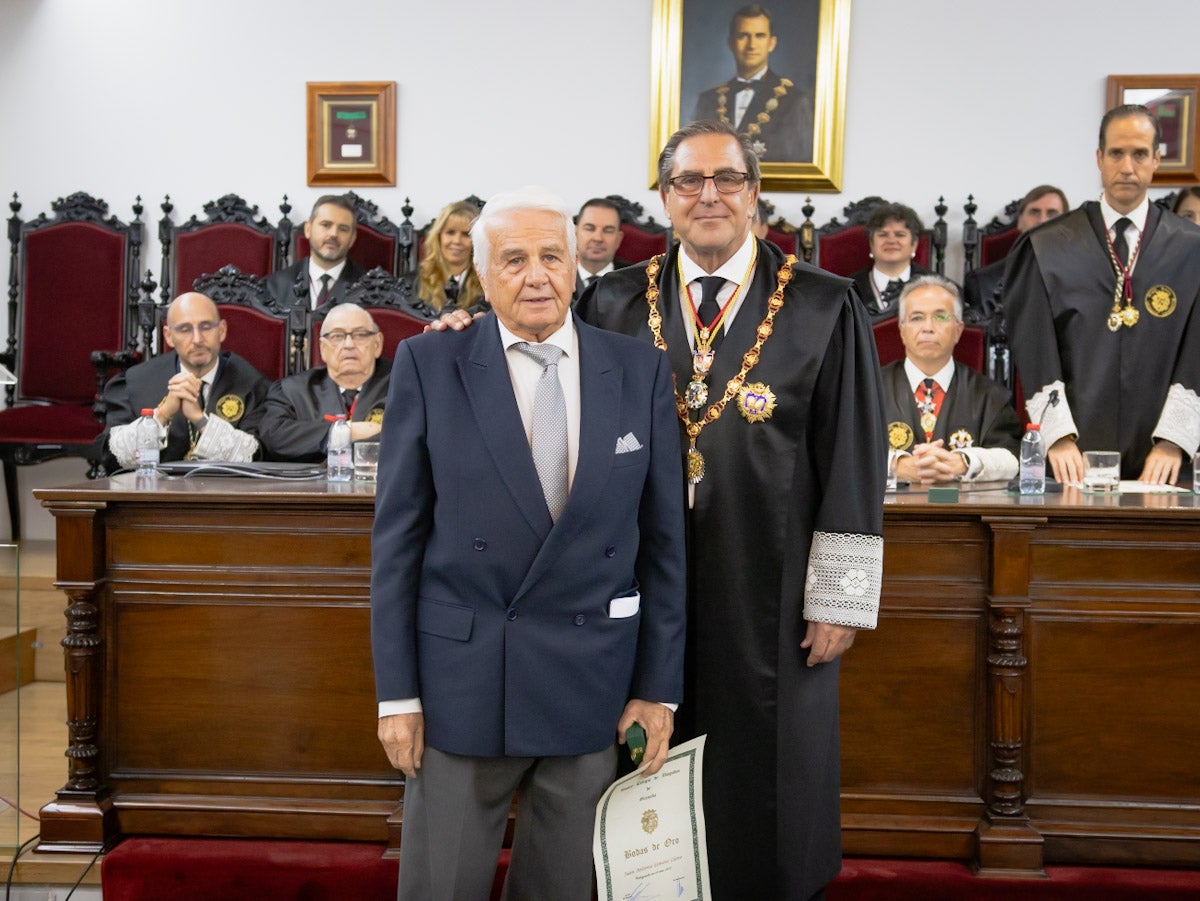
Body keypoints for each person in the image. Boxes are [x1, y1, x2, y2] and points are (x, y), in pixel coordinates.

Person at [578, 120, 886, 900]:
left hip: (773, 591)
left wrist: (840, 596)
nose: (707, 195)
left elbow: (855, 450)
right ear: (663, 197)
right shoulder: (612, 301)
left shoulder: (824, 304)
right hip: (639, 585)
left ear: (755, 192)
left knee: (769, 784)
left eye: (726, 179)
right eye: (689, 181)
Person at [371, 186, 686, 901]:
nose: (537, 274)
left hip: (593, 685)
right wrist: (397, 696)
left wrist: (656, 687)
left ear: (576, 266)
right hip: (460, 685)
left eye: (552, 255)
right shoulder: (429, 364)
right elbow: (396, 543)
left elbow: (665, 546)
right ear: (483, 274)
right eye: (514, 259)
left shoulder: (636, 370)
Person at [1005, 104, 1200, 484]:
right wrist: (1057, 436)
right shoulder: (1047, 247)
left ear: (1157, 159)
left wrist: (1174, 441)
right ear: (1099, 158)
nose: (1127, 167)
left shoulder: (1191, 249)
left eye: (1140, 154)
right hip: (1070, 458)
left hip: (1163, 461)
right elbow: (1035, 349)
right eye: (1116, 153)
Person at [100, 292, 268, 471]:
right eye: (185, 329)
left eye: (206, 327)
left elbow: (258, 459)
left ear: (222, 331)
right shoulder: (135, 382)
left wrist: (200, 420)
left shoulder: (252, 385)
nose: (197, 340)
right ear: (169, 336)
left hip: (226, 494)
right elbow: (112, 460)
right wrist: (162, 415)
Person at [884, 276, 1021, 485]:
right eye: (917, 318)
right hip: (886, 515)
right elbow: (846, 449)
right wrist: (896, 466)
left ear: (958, 330)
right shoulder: (867, 389)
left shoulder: (989, 395)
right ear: (901, 330)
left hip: (964, 514)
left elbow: (1013, 458)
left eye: (940, 317)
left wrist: (964, 463)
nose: (928, 327)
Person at [257, 303, 390, 461]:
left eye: (360, 335)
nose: (349, 345)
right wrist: (344, 432)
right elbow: (273, 437)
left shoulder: (402, 386)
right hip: (308, 486)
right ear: (323, 349)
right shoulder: (291, 391)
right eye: (337, 336)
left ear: (377, 344)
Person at [692, 4, 814, 163]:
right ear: (731, 43)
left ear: (772, 43)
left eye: (760, 36)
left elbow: (799, 165)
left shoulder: (794, 101)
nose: (751, 45)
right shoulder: (708, 101)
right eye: (743, 35)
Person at [963, 185, 1068, 323]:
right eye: (1034, 212)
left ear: (1067, 223)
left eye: (1052, 214)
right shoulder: (981, 282)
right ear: (1019, 222)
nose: (1042, 221)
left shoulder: (1089, 276)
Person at [266, 195, 365, 310]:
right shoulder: (276, 285)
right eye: (325, 225)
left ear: (352, 238)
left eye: (343, 229)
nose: (333, 234)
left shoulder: (367, 288)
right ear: (308, 229)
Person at [850, 202, 933, 323]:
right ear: (871, 244)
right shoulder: (850, 290)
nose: (891, 240)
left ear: (914, 244)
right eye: (883, 234)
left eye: (900, 235)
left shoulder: (937, 286)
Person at [416, 199, 486, 314]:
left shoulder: (487, 282)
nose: (457, 241)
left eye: (466, 234)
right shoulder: (413, 281)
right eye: (450, 232)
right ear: (438, 237)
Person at [572, 197, 626, 301]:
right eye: (589, 228)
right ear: (575, 233)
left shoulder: (635, 280)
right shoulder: (556, 275)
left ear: (619, 239)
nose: (598, 238)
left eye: (608, 230)